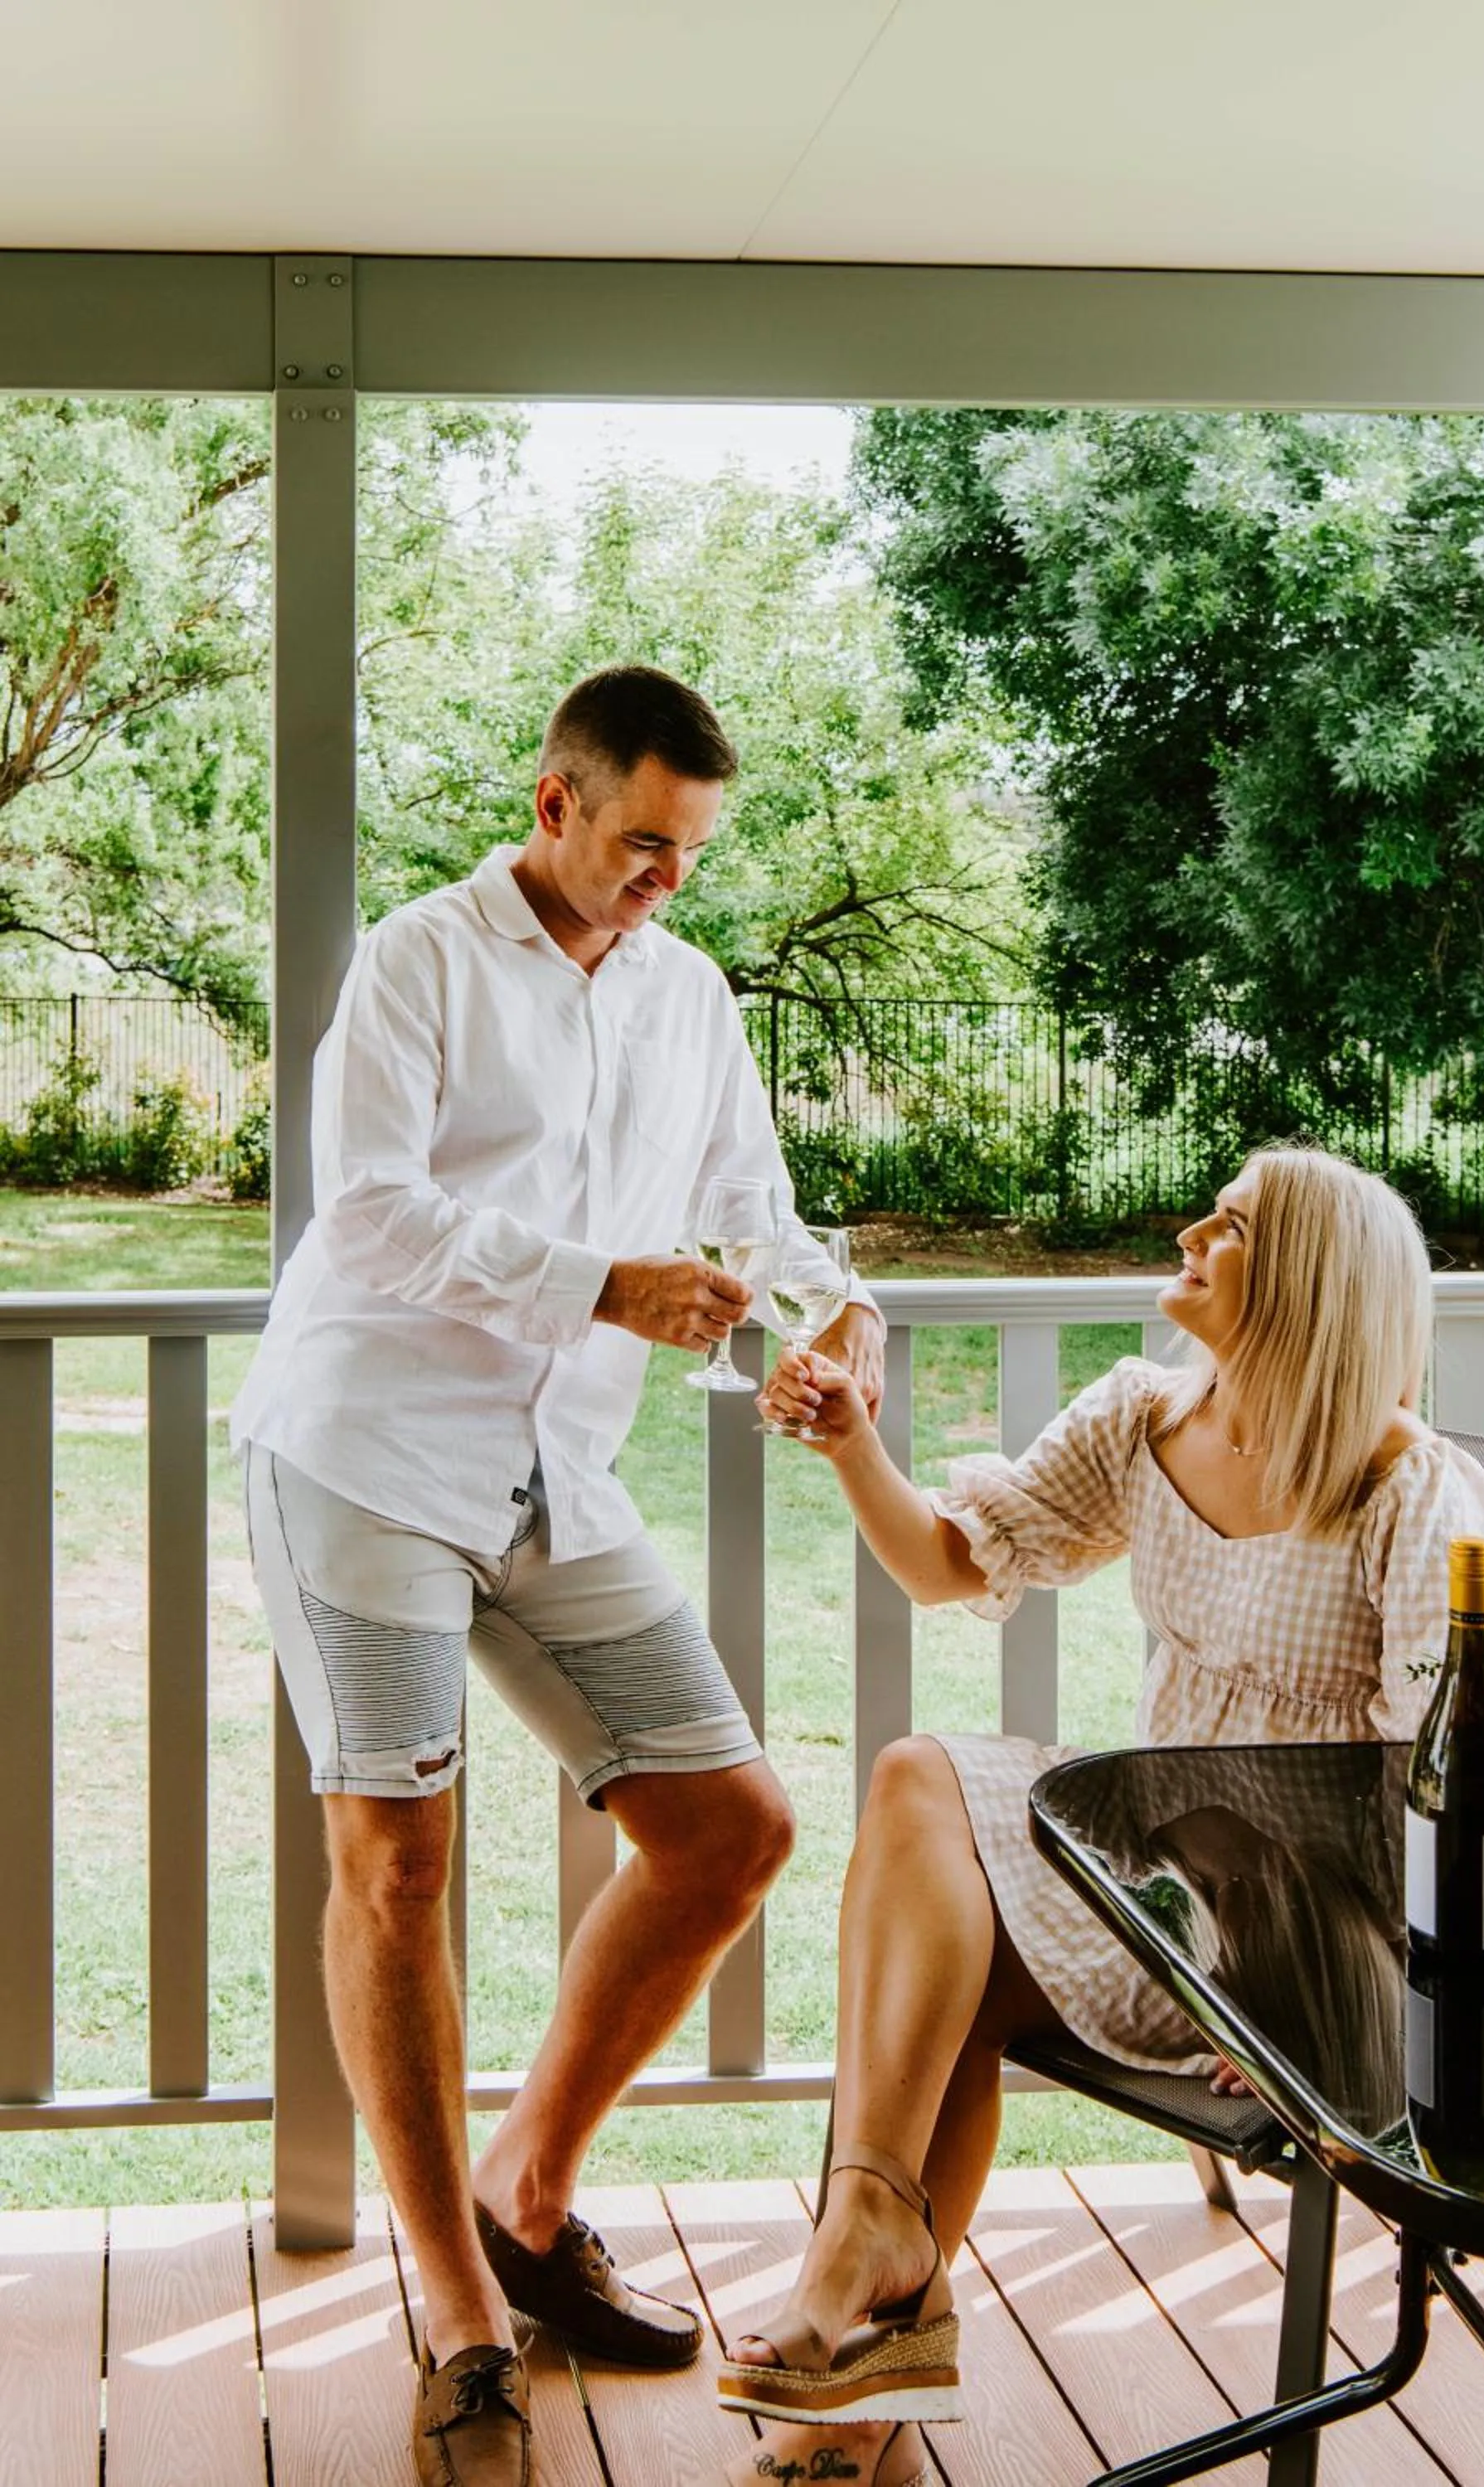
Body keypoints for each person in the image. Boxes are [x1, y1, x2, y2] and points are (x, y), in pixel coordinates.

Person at [230, 665, 883, 2487]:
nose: (667, 883)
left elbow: (746, 1205)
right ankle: (452, 2304)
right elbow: (360, 1207)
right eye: (644, 846)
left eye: (692, 857)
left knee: (730, 1822)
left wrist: (830, 1305)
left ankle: (529, 2196)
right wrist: (602, 1282)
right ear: (554, 806)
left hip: (556, 1470)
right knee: (399, 1854)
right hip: (363, 1451)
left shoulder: (687, 996)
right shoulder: (421, 961)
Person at [712, 1144, 1484, 2487]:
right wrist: (853, 1439)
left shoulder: (1406, 1489)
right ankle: (869, 2262)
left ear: (1307, 1272)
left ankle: (864, 2356)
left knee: (939, 1950)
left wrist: (1278, 2001)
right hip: (1158, 1885)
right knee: (919, 1796)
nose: (1192, 1229)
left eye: (1234, 1222)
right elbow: (945, 1563)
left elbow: (1427, 1803)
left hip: (1305, 1961)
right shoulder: (1147, 1418)